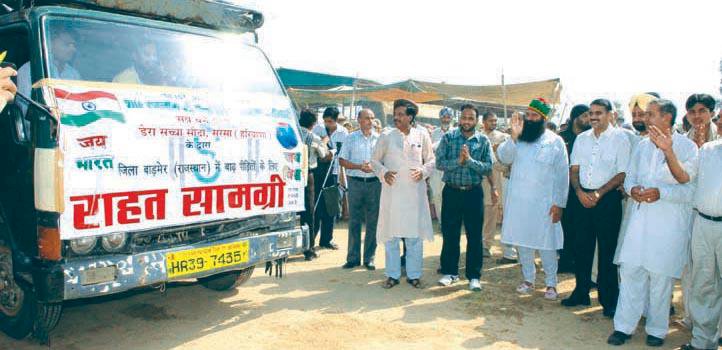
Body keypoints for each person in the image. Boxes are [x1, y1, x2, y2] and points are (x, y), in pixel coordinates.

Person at [608, 99, 698, 347]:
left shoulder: (688, 148)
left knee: (660, 280)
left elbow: (689, 191)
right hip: (639, 222)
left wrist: (662, 193)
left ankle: (657, 331)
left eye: (650, 114)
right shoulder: (643, 146)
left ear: (667, 118)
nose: (645, 118)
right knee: (630, 272)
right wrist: (633, 189)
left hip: (668, 225)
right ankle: (623, 327)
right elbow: (629, 178)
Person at [562, 99, 631, 317]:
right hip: (582, 199)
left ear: (610, 115)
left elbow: (622, 173)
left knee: (607, 251)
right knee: (581, 248)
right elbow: (574, 170)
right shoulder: (582, 139)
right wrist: (580, 193)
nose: (593, 117)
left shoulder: (621, 138)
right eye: (591, 113)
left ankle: (609, 299)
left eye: (599, 113)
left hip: (608, 201)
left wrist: (599, 193)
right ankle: (581, 291)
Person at [497, 98, 569, 300]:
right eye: (527, 115)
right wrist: (513, 136)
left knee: (547, 245)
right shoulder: (518, 138)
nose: (529, 119)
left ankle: (551, 284)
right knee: (523, 243)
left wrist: (559, 204)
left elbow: (563, 175)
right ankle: (528, 279)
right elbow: (504, 157)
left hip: (545, 205)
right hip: (519, 203)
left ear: (543, 119)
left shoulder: (555, 141)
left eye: (534, 116)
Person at [372, 99, 435, 289]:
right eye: (395, 114)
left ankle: (414, 276)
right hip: (392, 193)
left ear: (410, 116)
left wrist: (423, 172)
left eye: (401, 114)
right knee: (391, 236)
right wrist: (383, 172)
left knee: (414, 237)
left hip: (415, 194)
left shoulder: (421, 135)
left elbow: (431, 160)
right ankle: (392, 275)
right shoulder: (386, 136)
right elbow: (374, 161)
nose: (396, 118)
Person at [435, 104, 493, 291]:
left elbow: (487, 167)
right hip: (451, 191)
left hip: (473, 192)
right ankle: (449, 272)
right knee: (450, 234)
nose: (467, 121)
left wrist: (469, 162)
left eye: (471, 118)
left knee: (474, 236)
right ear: (459, 119)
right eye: (464, 118)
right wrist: (457, 162)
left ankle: (474, 276)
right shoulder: (449, 138)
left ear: (476, 121)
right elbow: (440, 163)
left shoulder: (482, 141)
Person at [681, 137, 722, 350]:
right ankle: (702, 342)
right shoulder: (707, 149)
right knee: (703, 285)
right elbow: (687, 176)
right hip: (703, 222)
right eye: (720, 119)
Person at [339, 109, 380, 270]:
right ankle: (353, 258)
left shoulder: (380, 139)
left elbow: (385, 160)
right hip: (355, 182)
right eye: (366, 118)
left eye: (372, 118)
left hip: (375, 183)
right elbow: (342, 160)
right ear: (359, 120)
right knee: (354, 220)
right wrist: (359, 167)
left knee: (373, 222)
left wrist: (373, 166)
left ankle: (369, 258)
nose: (370, 121)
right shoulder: (351, 138)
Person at [558, 104, 590, 273]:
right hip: (564, 188)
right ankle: (564, 260)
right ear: (575, 117)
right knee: (565, 226)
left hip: (584, 188)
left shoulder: (591, 137)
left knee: (582, 228)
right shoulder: (562, 137)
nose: (588, 119)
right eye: (585, 115)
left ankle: (580, 263)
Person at [480, 111, 511, 260]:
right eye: (491, 121)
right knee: (478, 215)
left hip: (495, 181)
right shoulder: (478, 137)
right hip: (478, 181)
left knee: (490, 214)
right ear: (484, 122)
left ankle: (486, 245)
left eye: (495, 121)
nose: (494, 123)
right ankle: (477, 244)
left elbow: (505, 160)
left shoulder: (503, 138)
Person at [298, 109, 329, 261]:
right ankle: (309, 249)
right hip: (307, 174)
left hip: (289, 175)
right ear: (314, 123)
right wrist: (324, 143)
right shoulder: (313, 137)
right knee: (308, 212)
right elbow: (324, 155)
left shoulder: (293, 134)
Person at [430, 107, 455, 218]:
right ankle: (441, 221)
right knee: (437, 196)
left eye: (448, 117)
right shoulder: (434, 133)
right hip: (436, 169)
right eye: (444, 117)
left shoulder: (456, 132)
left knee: (450, 196)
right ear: (440, 118)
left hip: (451, 170)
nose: (446, 119)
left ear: (451, 118)